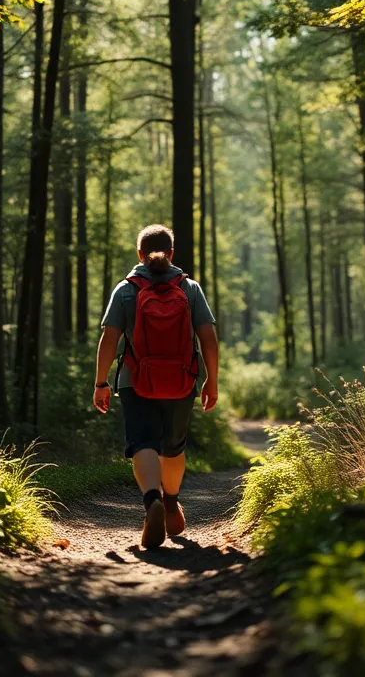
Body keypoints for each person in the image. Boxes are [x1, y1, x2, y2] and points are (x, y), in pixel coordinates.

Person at [92, 224, 219, 549]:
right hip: (180, 380)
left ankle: (153, 503)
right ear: (172, 253)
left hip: (136, 381)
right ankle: (173, 502)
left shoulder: (126, 289)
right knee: (173, 447)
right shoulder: (189, 288)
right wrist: (211, 381)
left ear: (139, 254)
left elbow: (109, 338)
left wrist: (101, 382)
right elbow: (208, 337)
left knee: (142, 442)